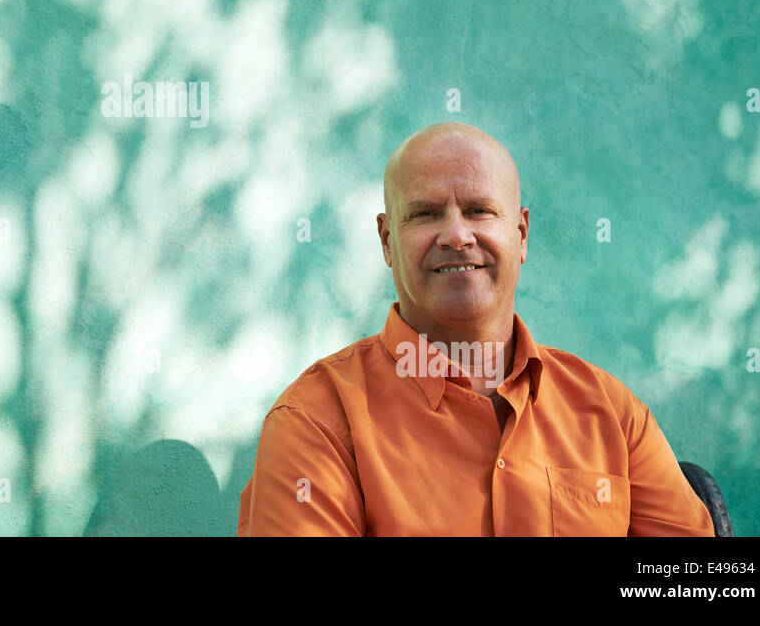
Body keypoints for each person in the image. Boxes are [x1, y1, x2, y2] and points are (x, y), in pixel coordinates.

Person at [237, 122, 715, 536]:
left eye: (480, 210)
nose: (456, 235)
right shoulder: (316, 420)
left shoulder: (611, 413)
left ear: (521, 235)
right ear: (387, 241)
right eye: (424, 214)